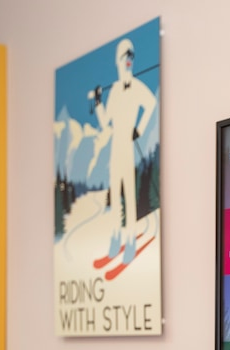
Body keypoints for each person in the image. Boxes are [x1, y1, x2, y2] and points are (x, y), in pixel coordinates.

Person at [91, 37, 157, 263]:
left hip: (127, 147)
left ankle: (130, 241)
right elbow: (105, 122)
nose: (128, 61)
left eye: (131, 57)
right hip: (115, 147)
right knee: (115, 196)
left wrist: (139, 129)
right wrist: (98, 102)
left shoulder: (136, 87)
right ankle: (115, 238)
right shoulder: (115, 91)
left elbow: (151, 104)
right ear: (118, 61)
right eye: (125, 57)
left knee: (129, 195)